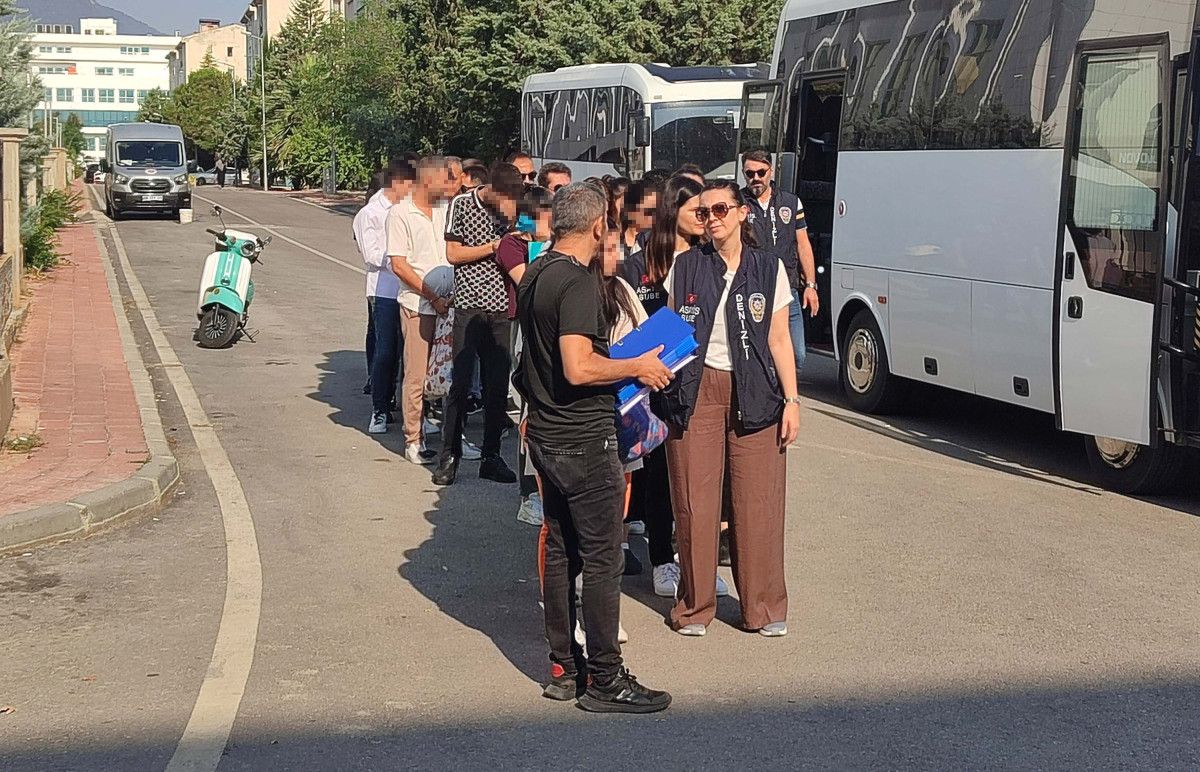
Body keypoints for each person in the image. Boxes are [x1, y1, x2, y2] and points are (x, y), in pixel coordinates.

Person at [516, 182, 672, 713]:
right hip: (582, 438)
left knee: (562, 551)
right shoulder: (578, 282)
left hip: (547, 433)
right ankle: (606, 678)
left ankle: (564, 668)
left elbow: (532, 362)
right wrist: (637, 365)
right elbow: (578, 367)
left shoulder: (537, 272)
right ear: (598, 224)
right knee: (604, 558)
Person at [663, 179, 800, 638]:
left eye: (720, 209)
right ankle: (694, 607)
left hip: (756, 390)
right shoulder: (685, 266)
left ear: (742, 213)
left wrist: (792, 401)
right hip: (696, 389)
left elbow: (779, 339)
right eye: (703, 213)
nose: (711, 219)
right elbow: (670, 333)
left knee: (757, 504)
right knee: (695, 501)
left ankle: (763, 608)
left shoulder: (768, 267)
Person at [620, 174, 715, 599]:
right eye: (698, 211)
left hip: (700, 381)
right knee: (656, 473)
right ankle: (661, 558)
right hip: (652, 384)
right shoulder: (638, 266)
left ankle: (698, 562)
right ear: (673, 211)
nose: (706, 219)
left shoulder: (709, 261)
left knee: (698, 477)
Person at [432, 162, 525, 486]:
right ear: (493, 190)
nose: (508, 207)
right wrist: (492, 247)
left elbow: (533, 239)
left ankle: (491, 456)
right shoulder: (462, 204)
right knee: (460, 384)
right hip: (469, 307)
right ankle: (449, 456)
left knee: (496, 387)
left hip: (502, 309)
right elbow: (453, 254)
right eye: (505, 199)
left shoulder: (516, 210)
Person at [387, 156, 455, 464]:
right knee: (416, 374)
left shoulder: (444, 210)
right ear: (428, 179)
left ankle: (452, 437)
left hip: (449, 303)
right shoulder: (400, 213)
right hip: (418, 304)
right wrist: (433, 296)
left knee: (449, 372)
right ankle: (413, 439)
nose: (448, 185)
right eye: (444, 179)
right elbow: (399, 265)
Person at [496, 185, 554, 525]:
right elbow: (527, 281)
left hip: (545, 329)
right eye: (546, 215)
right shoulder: (512, 245)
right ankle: (529, 494)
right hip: (521, 326)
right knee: (526, 411)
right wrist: (543, 245)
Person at [741, 149, 819, 373]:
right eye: (749, 173)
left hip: (786, 290)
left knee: (797, 354)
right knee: (758, 353)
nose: (756, 178)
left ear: (771, 171)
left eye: (761, 172)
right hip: (751, 288)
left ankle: (781, 389)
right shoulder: (738, 202)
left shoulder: (790, 202)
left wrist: (810, 285)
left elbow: (803, 244)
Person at [357, 159, 415, 433]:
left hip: (411, 289)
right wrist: (401, 257)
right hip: (385, 291)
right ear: (398, 183)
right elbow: (371, 255)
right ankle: (379, 409)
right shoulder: (370, 213)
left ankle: (414, 411)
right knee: (386, 352)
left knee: (412, 354)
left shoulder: (409, 209)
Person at [620, 178, 658, 259]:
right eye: (649, 211)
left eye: (657, 210)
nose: (654, 216)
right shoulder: (611, 244)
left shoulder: (660, 243)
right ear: (630, 209)